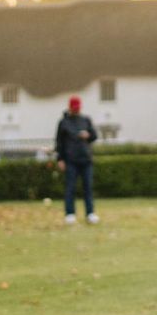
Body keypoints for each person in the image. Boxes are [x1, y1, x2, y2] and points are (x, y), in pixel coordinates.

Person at [55, 96, 98, 224]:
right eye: (74, 108)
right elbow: (59, 142)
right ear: (70, 107)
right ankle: (70, 214)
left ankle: (90, 213)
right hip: (70, 160)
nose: (76, 110)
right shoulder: (64, 122)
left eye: (78, 108)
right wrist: (60, 159)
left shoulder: (86, 120)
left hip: (86, 160)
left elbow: (94, 136)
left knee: (88, 187)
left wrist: (88, 135)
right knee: (70, 188)